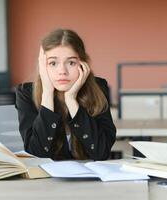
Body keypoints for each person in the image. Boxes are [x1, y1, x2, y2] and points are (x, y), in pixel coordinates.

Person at [15, 28, 116, 160]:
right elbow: (36, 155)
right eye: (53, 63)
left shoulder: (98, 88)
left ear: (83, 64)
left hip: (90, 179)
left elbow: (101, 152)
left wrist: (71, 99)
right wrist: (47, 94)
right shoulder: (26, 93)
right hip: (45, 180)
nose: (62, 71)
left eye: (71, 62)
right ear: (42, 66)